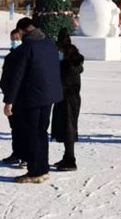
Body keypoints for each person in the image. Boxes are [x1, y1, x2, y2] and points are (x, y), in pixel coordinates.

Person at [0, 17, 63, 184]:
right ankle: (43, 169)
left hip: (32, 98)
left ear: (22, 30)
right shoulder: (50, 44)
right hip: (48, 97)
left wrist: (9, 101)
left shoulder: (26, 49)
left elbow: (16, 78)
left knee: (32, 135)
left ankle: (35, 171)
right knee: (41, 133)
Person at [51, 28, 84, 171]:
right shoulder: (71, 61)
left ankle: (71, 160)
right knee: (66, 127)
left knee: (68, 128)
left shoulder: (68, 65)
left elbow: (66, 82)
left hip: (68, 99)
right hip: (68, 98)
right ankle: (67, 157)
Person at [0, 29, 25, 167]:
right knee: (14, 127)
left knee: (24, 128)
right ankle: (16, 153)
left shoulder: (25, 56)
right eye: (12, 38)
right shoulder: (10, 56)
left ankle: (25, 155)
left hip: (22, 97)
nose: (14, 41)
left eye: (16, 38)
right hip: (10, 95)